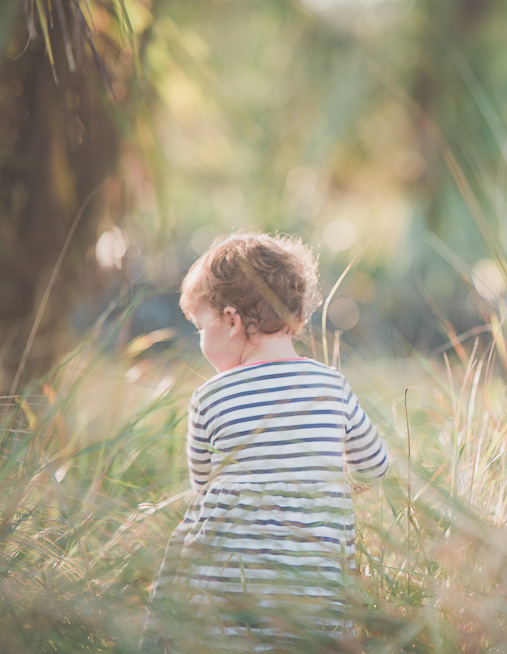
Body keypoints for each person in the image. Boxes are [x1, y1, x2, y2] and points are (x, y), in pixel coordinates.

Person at [145, 232, 389, 652]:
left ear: (232, 321)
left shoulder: (210, 396)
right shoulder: (331, 384)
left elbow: (203, 486)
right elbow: (375, 464)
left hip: (233, 590)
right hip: (317, 590)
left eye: (201, 327)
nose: (201, 341)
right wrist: (339, 482)